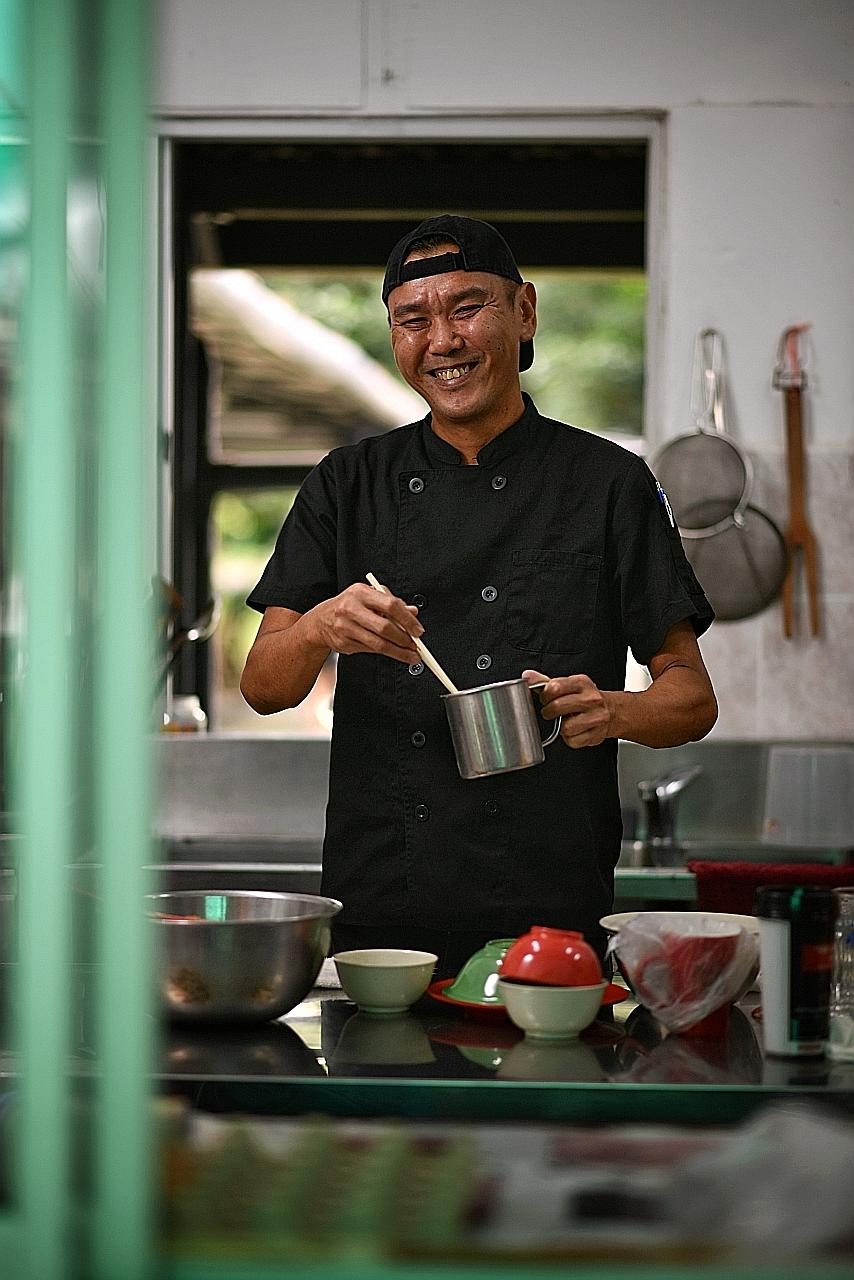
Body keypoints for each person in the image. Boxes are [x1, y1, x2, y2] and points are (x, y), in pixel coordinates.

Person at [241, 214, 717, 977]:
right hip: (385, 901)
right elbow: (263, 688)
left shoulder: (607, 485)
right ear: (395, 337)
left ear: (524, 311)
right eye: (413, 319)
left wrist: (612, 710)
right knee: (384, 1092)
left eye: (467, 308)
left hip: (550, 900)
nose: (443, 341)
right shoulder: (345, 484)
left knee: (545, 1093)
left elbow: (692, 698)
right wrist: (320, 628)